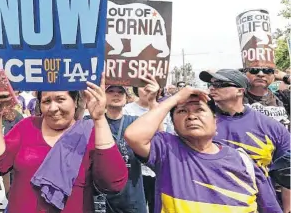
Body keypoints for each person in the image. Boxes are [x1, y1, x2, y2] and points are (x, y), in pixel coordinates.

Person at [124, 82, 282, 213]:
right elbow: (134, 135)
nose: (191, 116)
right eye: (182, 111)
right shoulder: (166, 149)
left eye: (199, 109)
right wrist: (175, 98)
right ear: (173, 123)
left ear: (215, 120)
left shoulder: (244, 162)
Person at [0, 76, 128, 212]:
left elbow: (113, 183)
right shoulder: (27, 127)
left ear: (75, 101)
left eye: (60, 99)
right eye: (46, 101)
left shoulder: (89, 133)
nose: (53, 108)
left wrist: (100, 119)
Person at [200, 68, 291, 212]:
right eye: (211, 84)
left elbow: (287, 173)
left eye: (220, 84)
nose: (212, 88)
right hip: (211, 204)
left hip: (260, 204)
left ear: (240, 91)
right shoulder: (199, 125)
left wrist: (288, 208)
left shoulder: (270, 126)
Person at [85, 85, 146, 213]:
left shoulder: (136, 123)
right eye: (111, 91)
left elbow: (159, 138)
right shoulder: (90, 122)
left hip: (131, 199)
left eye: (120, 92)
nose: (116, 94)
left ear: (126, 98)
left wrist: (152, 102)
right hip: (101, 199)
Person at [123, 77, 166, 213]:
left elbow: (163, 136)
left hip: (155, 170)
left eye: (149, 86)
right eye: (142, 86)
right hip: (134, 170)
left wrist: (154, 105)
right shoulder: (126, 110)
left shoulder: (163, 109)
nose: (146, 89)